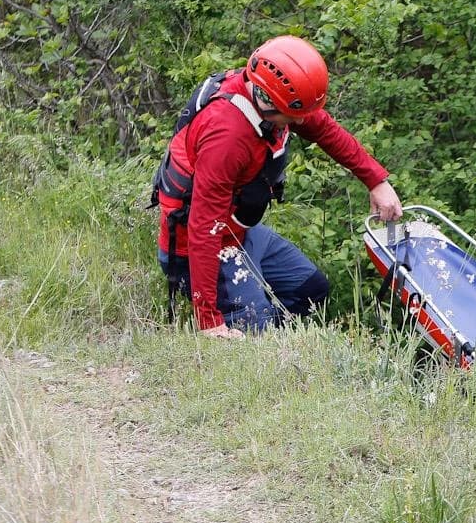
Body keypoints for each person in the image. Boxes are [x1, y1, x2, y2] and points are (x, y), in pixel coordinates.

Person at [153, 35, 402, 338]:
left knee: (312, 291)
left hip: (240, 232)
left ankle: (269, 334)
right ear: (268, 100)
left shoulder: (271, 98)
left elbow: (325, 130)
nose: (302, 121)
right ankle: (251, 340)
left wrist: (375, 180)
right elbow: (204, 226)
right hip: (195, 248)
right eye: (296, 116)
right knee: (258, 329)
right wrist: (209, 320)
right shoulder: (228, 136)